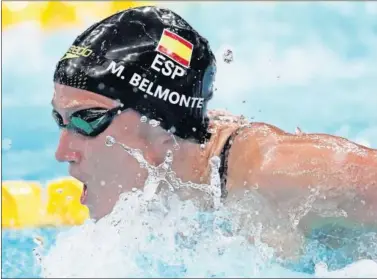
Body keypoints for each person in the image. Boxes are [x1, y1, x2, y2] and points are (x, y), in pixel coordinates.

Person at [52, 6, 377, 258]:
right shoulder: (171, 190)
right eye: (60, 120)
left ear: (160, 124)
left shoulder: (274, 172)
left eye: (86, 119)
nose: (62, 152)